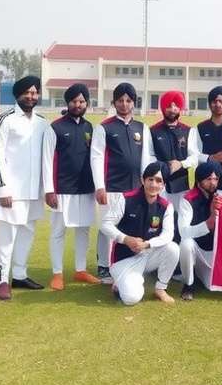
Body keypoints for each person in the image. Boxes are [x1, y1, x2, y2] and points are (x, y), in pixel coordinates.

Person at [90, 83, 154, 284]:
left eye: (128, 100)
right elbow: (96, 157)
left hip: (135, 189)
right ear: (114, 102)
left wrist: (146, 185)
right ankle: (103, 266)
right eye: (120, 101)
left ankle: (127, 262)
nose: (124, 104)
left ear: (133, 102)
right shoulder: (104, 127)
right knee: (106, 228)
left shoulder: (142, 128)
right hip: (111, 188)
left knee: (131, 227)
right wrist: (100, 186)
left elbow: (146, 158)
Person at [0, 75, 47, 300]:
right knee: (7, 237)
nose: (31, 96)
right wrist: (2, 189)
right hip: (11, 191)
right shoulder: (4, 119)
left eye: (35, 93)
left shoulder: (42, 122)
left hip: (34, 190)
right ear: (18, 94)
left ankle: (20, 275)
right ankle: (1, 280)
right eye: (27, 92)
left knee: (28, 233)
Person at [41, 83, 101, 290]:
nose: (78, 104)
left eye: (82, 101)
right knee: (59, 231)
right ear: (68, 102)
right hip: (62, 189)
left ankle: (80, 270)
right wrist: (49, 190)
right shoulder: (55, 127)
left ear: (87, 103)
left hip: (85, 188)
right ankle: (57, 274)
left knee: (83, 230)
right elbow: (47, 161)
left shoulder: (89, 128)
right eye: (74, 101)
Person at [99, 162, 179, 305]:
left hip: (147, 256)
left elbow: (168, 235)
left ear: (163, 185)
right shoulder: (126, 198)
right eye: (151, 179)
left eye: (159, 181)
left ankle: (160, 288)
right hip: (123, 259)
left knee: (172, 248)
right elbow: (105, 224)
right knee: (131, 299)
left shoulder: (166, 206)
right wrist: (126, 239)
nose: (154, 184)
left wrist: (147, 244)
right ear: (143, 180)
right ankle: (121, 282)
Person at [178, 160, 222, 300]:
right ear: (199, 181)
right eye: (208, 179)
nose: (213, 183)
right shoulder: (187, 199)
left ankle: (200, 275)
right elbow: (183, 232)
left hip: (215, 253)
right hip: (197, 251)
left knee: (212, 286)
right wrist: (208, 224)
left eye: (216, 179)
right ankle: (188, 284)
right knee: (186, 244)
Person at [149, 90, 198, 211]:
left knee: (180, 221)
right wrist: (163, 167)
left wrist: (181, 164)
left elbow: (195, 157)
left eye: (176, 105)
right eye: (169, 106)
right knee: (158, 220)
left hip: (181, 185)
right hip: (158, 185)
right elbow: (150, 155)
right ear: (163, 108)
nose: (173, 109)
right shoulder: (153, 131)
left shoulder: (188, 131)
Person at [193, 86, 222, 196]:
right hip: (204, 181)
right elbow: (195, 154)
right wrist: (211, 158)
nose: (217, 104)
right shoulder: (201, 127)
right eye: (214, 101)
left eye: (221, 101)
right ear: (209, 104)